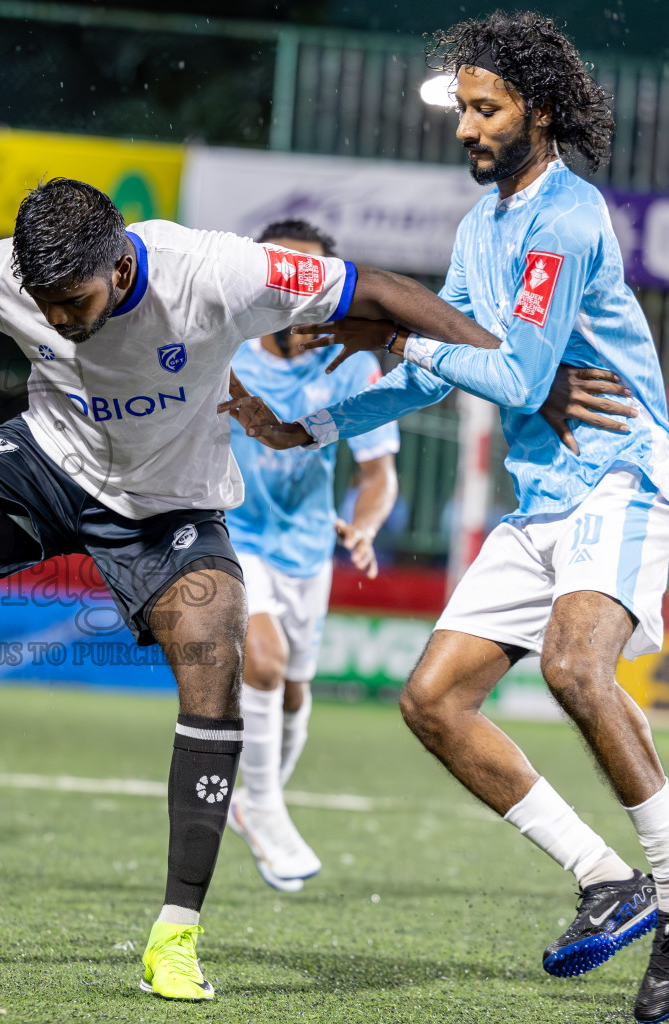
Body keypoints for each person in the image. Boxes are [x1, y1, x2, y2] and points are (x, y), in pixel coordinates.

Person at [0, 176, 520, 1003]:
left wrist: (514, 366)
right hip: (48, 463)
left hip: (169, 500)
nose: (58, 318)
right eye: (44, 302)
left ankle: (175, 936)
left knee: (214, 646)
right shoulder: (8, 273)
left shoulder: (218, 272)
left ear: (119, 263)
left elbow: (381, 290)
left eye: (74, 300)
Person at [221, 14, 669, 1022]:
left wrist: (401, 315)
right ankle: (604, 876)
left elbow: (519, 371)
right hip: (544, 496)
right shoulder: (480, 228)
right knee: (432, 701)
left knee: (574, 666)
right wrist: (310, 420)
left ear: (540, 112)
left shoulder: (568, 218)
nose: (467, 127)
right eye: (463, 109)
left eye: (485, 108)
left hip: (620, 475)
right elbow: (439, 368)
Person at [221, 218, 401, 892]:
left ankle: (257, 798)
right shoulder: (228, 348)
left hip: (306, 550)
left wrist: (365, 524)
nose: (302, 293)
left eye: (316, 279)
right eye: (286, 277)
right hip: (234, 533)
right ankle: (263, 807)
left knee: (295, 692)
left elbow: (378, 473)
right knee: (262, 662)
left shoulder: (353, 363)